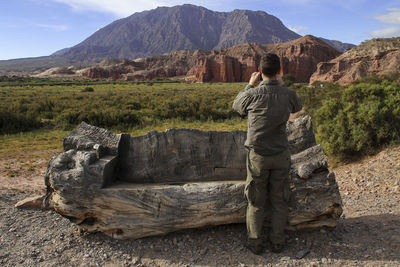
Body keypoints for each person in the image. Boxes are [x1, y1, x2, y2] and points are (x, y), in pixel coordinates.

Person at [232, 53, 302, 254]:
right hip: (281, 155)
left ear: (260, 72)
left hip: (258, 157)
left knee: (256, 200)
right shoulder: (288, 94)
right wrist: (280, 82)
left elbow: (237, 106)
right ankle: (278, 242)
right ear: (280, 71)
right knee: (279, 199)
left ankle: (255, 243)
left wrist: (249, 85)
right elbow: (297, 106)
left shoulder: (252, 94)